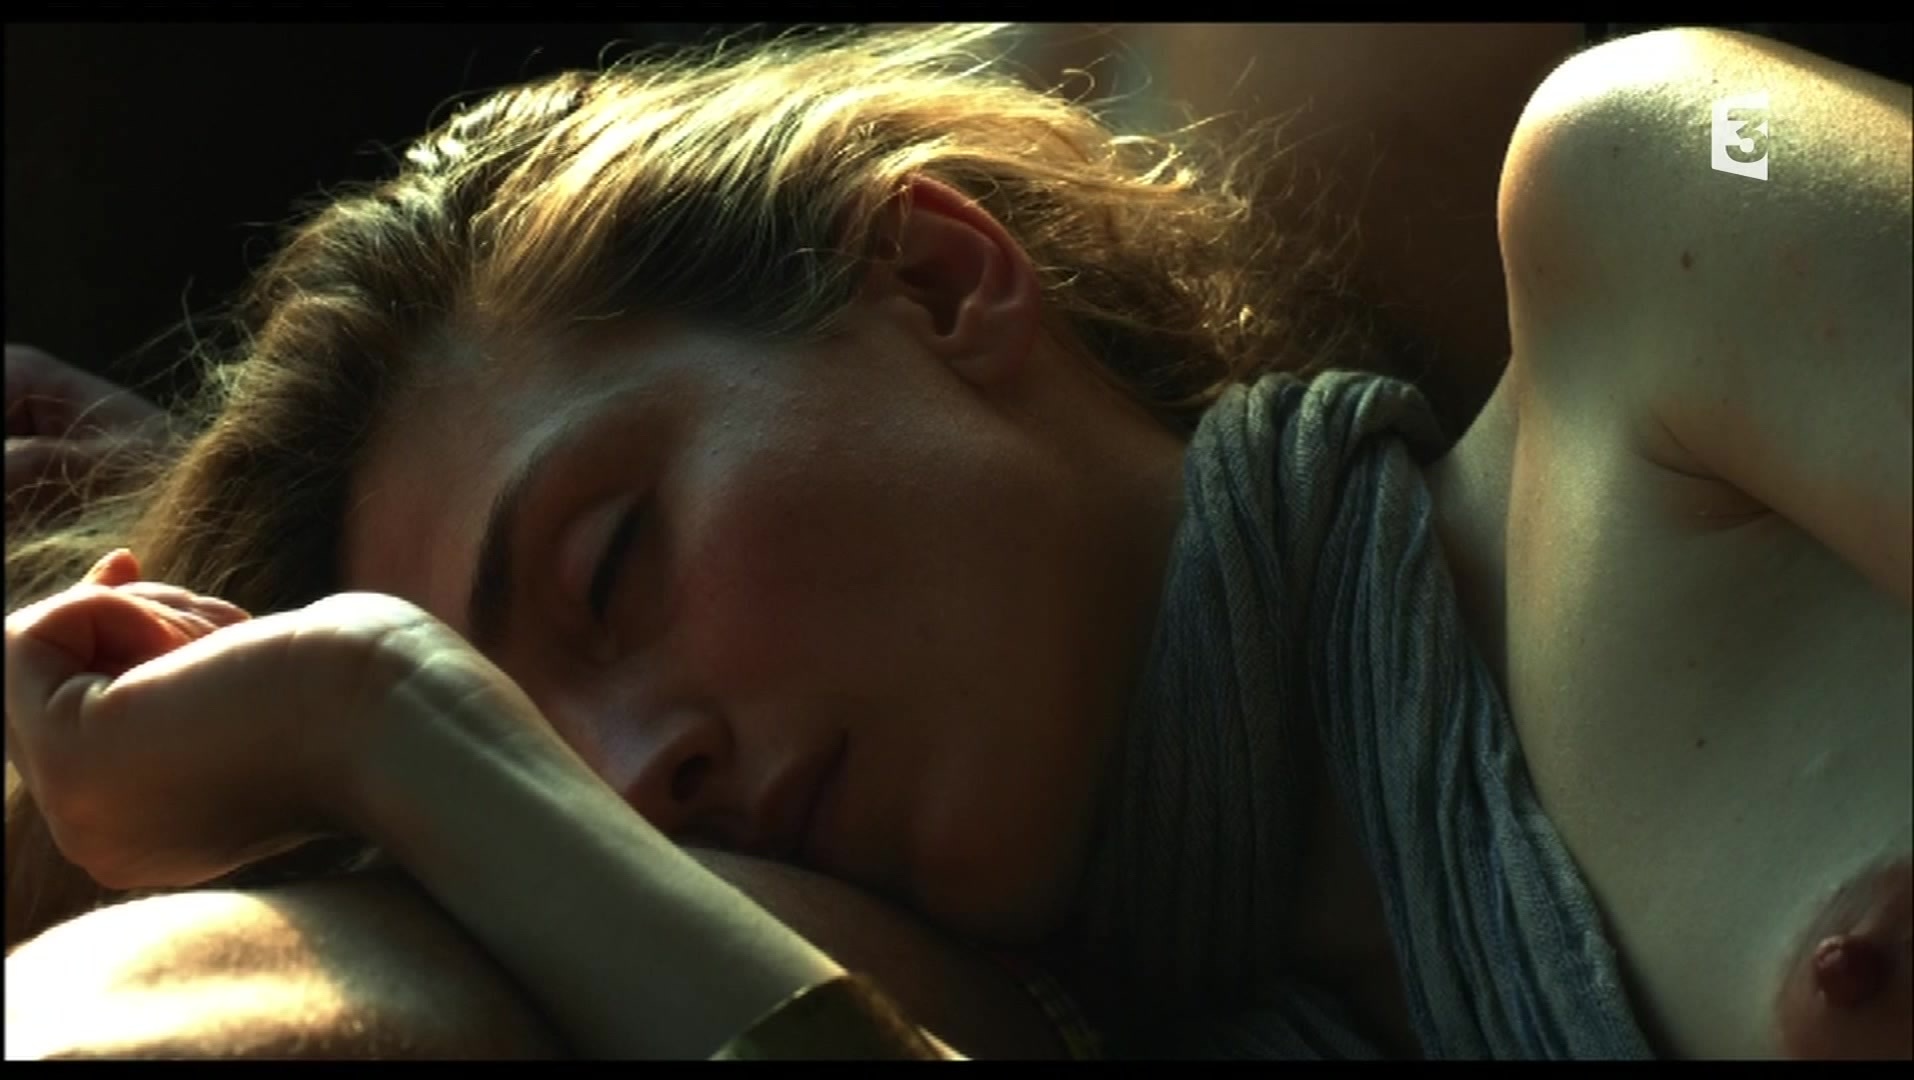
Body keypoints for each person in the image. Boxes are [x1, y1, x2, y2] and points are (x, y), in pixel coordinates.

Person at [5, 23, 1909, 1060]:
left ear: (935, 278)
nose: (642, 783)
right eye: (550, 769)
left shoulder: (1650, 205)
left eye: (609, 568)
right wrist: (388, 722)